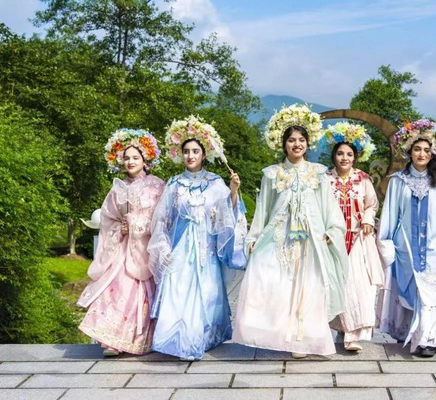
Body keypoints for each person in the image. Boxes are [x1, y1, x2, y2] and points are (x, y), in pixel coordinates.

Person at [232, 103, 347, 358]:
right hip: (279, 239)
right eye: (292, 140)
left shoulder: (318, 174)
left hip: (311, 241)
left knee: (310, 287)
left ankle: (305, 339)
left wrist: (332, 230)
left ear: (308, 143)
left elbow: (329, 206)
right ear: (283, 144)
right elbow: (263, 208)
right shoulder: (272, 174)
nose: (297, 144)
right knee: (275, 281)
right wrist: (254, 237)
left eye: (301, 140)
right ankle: (279, 334)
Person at [148, 115, 247, 361]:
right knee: (178, 288)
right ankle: (177, 338)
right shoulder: (174, 184)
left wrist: (234, 191)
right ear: (180, 155)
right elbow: (163, 219)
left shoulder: (215, 182)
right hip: (181, 246)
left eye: (195, 151)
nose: (190, 156)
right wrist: (163, 247)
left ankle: (201, 337)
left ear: (204, 155)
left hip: (206, 248)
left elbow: (227, 213)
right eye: (186, 152)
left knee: (208, 290)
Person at [78, 129, 165, 357]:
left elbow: (162, 217)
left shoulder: (157, 186)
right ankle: (111, 342)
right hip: (122, 249)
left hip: (145, 249)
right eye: (126, 158)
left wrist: (137, 225)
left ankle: (137, 339)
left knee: (139, 295)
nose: (130, 162)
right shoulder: (117, 188)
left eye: (135, 157)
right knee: (115, 290)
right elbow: (108, 217)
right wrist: (121, 228)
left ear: (145, 160)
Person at [377, 119, 436, 357]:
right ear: (409, 152)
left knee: (432, 293)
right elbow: (390, 214)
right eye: (417, 149)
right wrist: (385, 242)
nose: (422, 154)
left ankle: (427, 339)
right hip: (406, 246)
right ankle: (412, 333)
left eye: (426, 150)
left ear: (433, 154)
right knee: (413, 291)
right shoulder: (398, 181)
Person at [321, 122, 384, 352]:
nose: (344, 158)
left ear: (355, 157)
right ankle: (340, 328)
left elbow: (372, 204)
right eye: (340, 153)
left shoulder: (363, 179)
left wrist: (367, 219)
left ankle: (352, 335)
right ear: (334, 156)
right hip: (332, 240)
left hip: (358, 239)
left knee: (358, 286)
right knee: (335, 285)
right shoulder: (325, 179)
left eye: (349, 154)